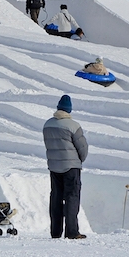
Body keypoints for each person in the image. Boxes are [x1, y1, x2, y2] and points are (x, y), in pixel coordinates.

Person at [43, 94, 89, 239]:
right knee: (72, 197)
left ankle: (55, 232)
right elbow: (82, 147)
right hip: (71, 167)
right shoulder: (73, 126)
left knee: (56, 198)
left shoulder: (47, 124)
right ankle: (72, 232)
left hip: (54, 166)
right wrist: (79, 160)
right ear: (69, 110)